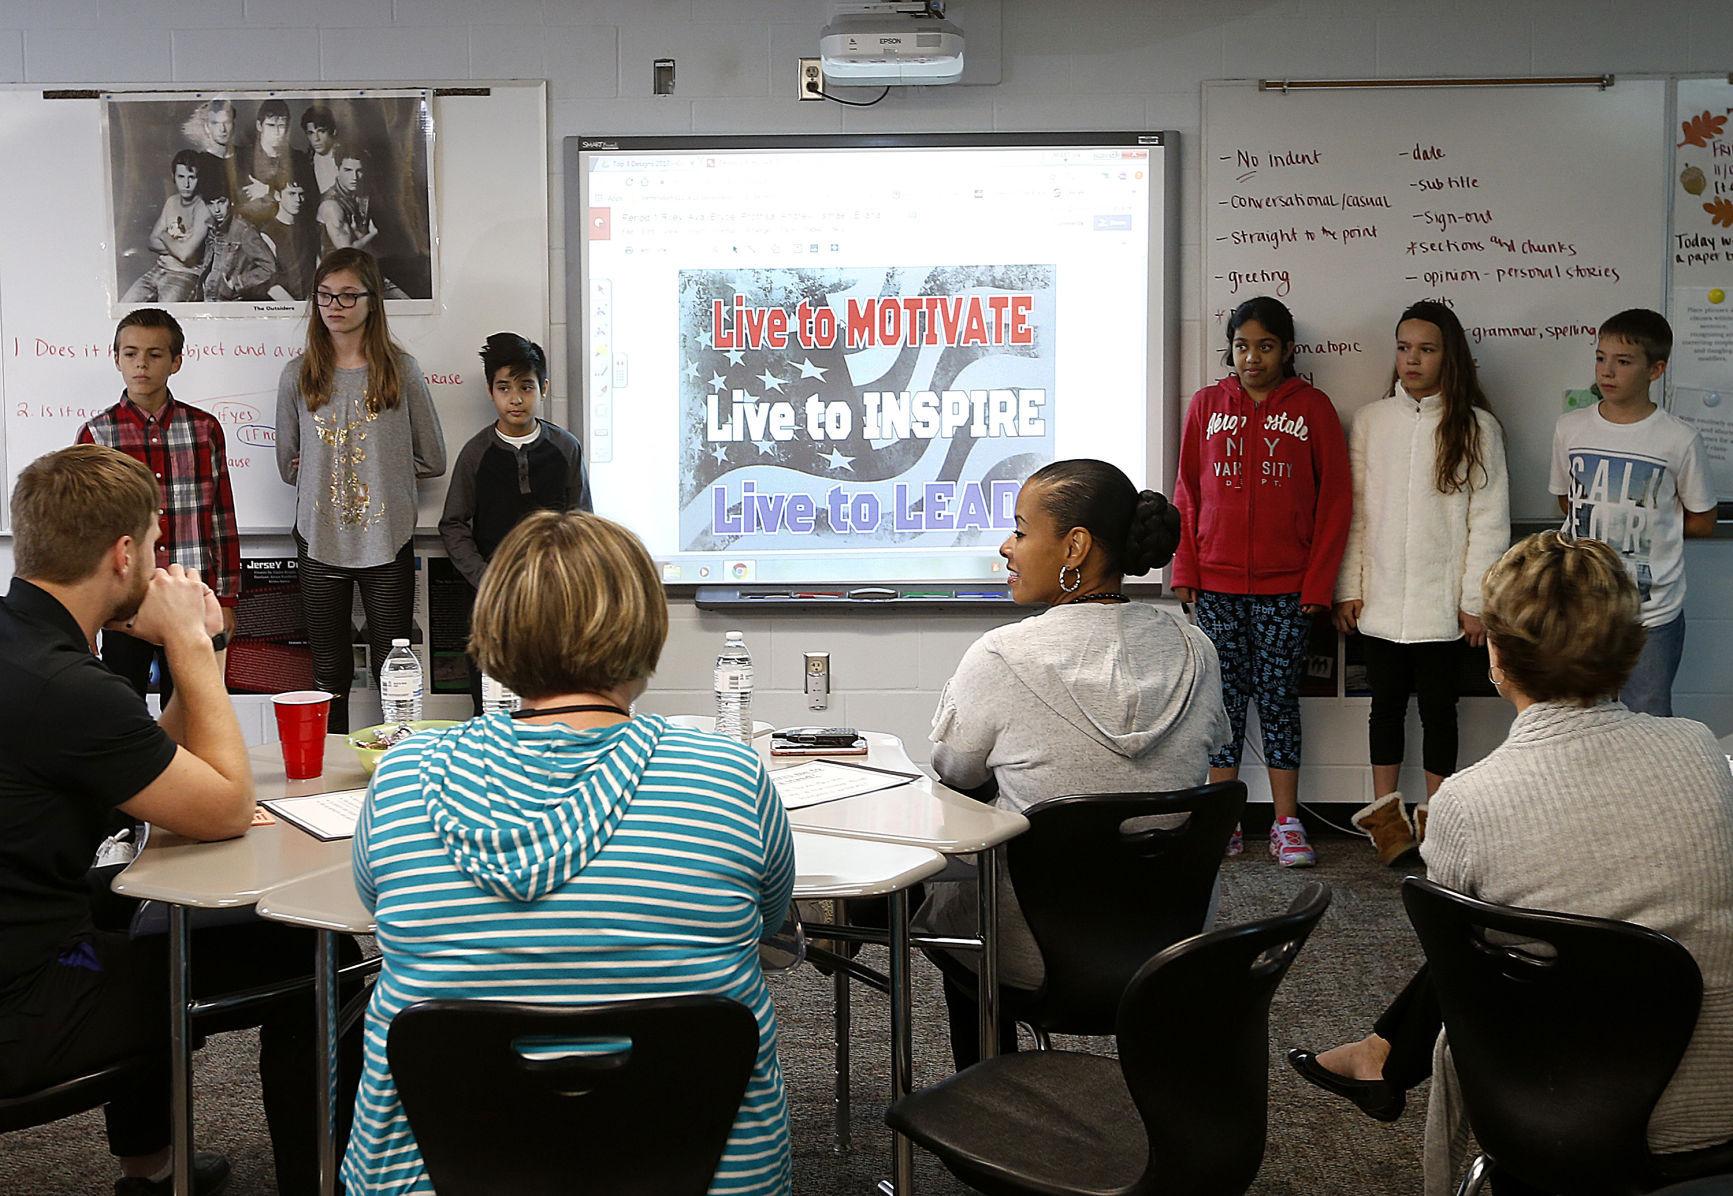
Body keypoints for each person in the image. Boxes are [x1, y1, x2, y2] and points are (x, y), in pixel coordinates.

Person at [343, 509, 797, 1195]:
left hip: (428, 1178)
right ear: (647, 626)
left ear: (493, 631)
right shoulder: (728, 777)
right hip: (707, 1177)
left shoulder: (404, 776)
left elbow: (381, 919)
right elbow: (767, 926)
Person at [1288, 532, 1733, 1195]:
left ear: (1495, 657)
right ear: (1632, 648)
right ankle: (1380, 1054)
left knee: (1479, 941)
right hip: (1716, 1102)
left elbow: (1464, 972)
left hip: (1554, 1112)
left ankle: (1384, 1055)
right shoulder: (1698, 750)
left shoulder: (1465, 805)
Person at [0, 445, 358, 1196]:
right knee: (307, 962)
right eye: (159, 546)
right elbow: (227, 808)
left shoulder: (28, 651)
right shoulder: (68, 686)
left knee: (134, 905)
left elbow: (137, 764)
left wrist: (205, 652)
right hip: (27, 1007)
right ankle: (319, 1185)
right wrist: (195, 645)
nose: (164, 565)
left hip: (26, 943)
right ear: (122, 554)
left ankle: (152, 1168)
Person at [913, 459, 1230, 1068]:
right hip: (1173, 943)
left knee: (948, 916)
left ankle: (991, 1104)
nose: (1006, 547)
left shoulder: (1001, 655)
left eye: (1021, 531)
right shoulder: (1197, 648)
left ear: (1075, 547)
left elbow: (954, 773)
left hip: (1031, 955)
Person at [1171, 295, 1351, 866]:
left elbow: (1336, 504)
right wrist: (1185, 567)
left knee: (1277, 701)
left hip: (1287, 589)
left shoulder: (1313, 410)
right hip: (1218, 585)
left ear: (1287, 350)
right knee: (1223, 703)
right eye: (1242, 346)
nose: (1252, 358)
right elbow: (1188, 493)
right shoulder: (1205, 405)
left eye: (1265, 346)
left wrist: (1318, 585)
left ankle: (1286, 822)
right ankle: (1223, 819)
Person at [1335, 301, 1509, 864]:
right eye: (1404, 347)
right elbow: (1356, 513)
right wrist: (1348, 587)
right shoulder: (1371, 420)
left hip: (1442, 605)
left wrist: (1475, 600)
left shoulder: (1477, 427)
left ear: (1448, 355)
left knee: (1439, 711)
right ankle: (1386, 819)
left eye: (1426, 349)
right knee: (1383, 708)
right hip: (1381, 599)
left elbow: (1488, 520)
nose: (1412, 359)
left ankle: (1438, 824)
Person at [275, 247, 445, 733]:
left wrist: (382, 470)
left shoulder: (401, 371)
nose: (335, 305)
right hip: (319, 540)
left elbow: (432, 458)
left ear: (373, 301)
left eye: (349, 295)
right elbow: (289, 467)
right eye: (325, 295)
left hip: (387, 542)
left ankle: (398, 761)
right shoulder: (298, 373)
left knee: (396, 666)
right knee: (329, 668)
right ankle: (331, 777)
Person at [1550, 308, 1716, 716]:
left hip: (1650, 614)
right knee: (1579, 716)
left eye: (1623, 362)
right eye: (1601, 357)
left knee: (1649, 718)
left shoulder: (1679, 438)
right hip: (1582, 606)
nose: (1607, 371)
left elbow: (1703, 520)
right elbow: (1566, 499)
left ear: (1655, 370)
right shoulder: (1570, 428)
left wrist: (1646, 526)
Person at [76, 309, 240, 703]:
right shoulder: (96, 434)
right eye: (130, 354)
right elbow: (86, 530)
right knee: (120, 708)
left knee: (190, 706)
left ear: (175, 362)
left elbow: (221, 516)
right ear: (116, 359)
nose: (141, 365)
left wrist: (228, 598)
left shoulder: (204, 429)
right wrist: (86, 614)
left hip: (192, 596)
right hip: (124, 603)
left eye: (154, 354)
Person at [439, 332, 593, 713]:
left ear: (544, 388)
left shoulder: (565, 447)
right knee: (492, 706)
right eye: (504, 387)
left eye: (526, 386)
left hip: (555, 599)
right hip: (492, 601)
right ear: (491, 392)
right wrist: (486, 576)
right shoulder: (476, 453)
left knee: (555, 701)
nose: (516, 398)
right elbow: (453, 524)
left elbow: (582, 521)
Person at [120, 150, 210, 304]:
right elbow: (151, 242)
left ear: (198, 178)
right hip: (158, 269)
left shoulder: (203, 207)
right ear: (173, 177)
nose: (186, 184)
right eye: (181, 177)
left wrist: (165, 235)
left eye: (192, 177)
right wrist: (178, 244)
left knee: (164, 318)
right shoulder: (172, 202)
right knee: (124, 306)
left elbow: (185, 255)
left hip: (184, 275)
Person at [198, 190, 277, 303]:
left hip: (227, 302)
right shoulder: (211, 227)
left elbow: (269, 267)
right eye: (211, 204)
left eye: (221, 202)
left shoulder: (244, 230)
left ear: (230, 202)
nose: (216, 210)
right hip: (207, 298)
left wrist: (236, 283)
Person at [261, 178, 317, 301]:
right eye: (291, 194)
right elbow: (271, 284)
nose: (298, 200)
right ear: (277, 195)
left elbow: (317, 265)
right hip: (287, 304)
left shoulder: (308, 228)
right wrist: (296, 308)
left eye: (301, 194)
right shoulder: (267, 234)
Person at [318, 147, 379, 257]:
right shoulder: (331, 206)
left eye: (359, 171)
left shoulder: (359, 194)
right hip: (335, 267)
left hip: (359, 262)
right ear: (338, 169)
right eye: (348, 170)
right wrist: (373, 234)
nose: (354, 177)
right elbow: (347, 250)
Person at [301, 104, 343, 198]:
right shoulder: (307, 161)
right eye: (310, 133)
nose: (316, 138)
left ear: (333, 131)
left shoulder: (346, 157)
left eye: (321, 131)